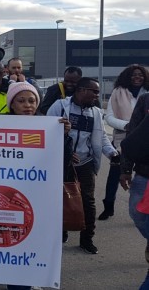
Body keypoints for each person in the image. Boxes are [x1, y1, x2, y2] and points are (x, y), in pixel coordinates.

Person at [3, 82, 71, 290]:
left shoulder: (48, 126)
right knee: (11, 239)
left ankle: (32, 277)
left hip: (37, 196)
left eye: (31, 101)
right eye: (21, 101)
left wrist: (64, 136)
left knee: (34, 237)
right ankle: (16, 282)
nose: (27, 105)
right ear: (11, 104)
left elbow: (62, 161)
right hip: (7, 196)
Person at [46, 77, 119, 254]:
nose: (96, 95)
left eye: (97, 91)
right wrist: (65, 151)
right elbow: (46, 130)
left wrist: (112, 153)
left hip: (85, 163)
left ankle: (87, 239)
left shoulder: (95, 112)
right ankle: (60, 232)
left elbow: (100, 137)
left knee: (88, 202)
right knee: (60, 199)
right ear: (80, 90)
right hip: (61, 162)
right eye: (93, 91)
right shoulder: (60, 106)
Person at [99, 64, 149, 220]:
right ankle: (108, 206)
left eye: (140, 75)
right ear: (127, 76)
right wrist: (127, 126)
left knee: (142, 175)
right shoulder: (117, 92)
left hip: (144, 141)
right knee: (116, 174)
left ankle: (141, 209)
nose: (137, 77)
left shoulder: (147, 94)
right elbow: (109, 117)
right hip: (122, 138)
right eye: (133, 75)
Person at [119, 92, 149, 289]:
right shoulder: (146, 99)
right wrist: (125, 169)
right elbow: (132, 134)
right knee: (136, 212)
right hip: (145, 172)